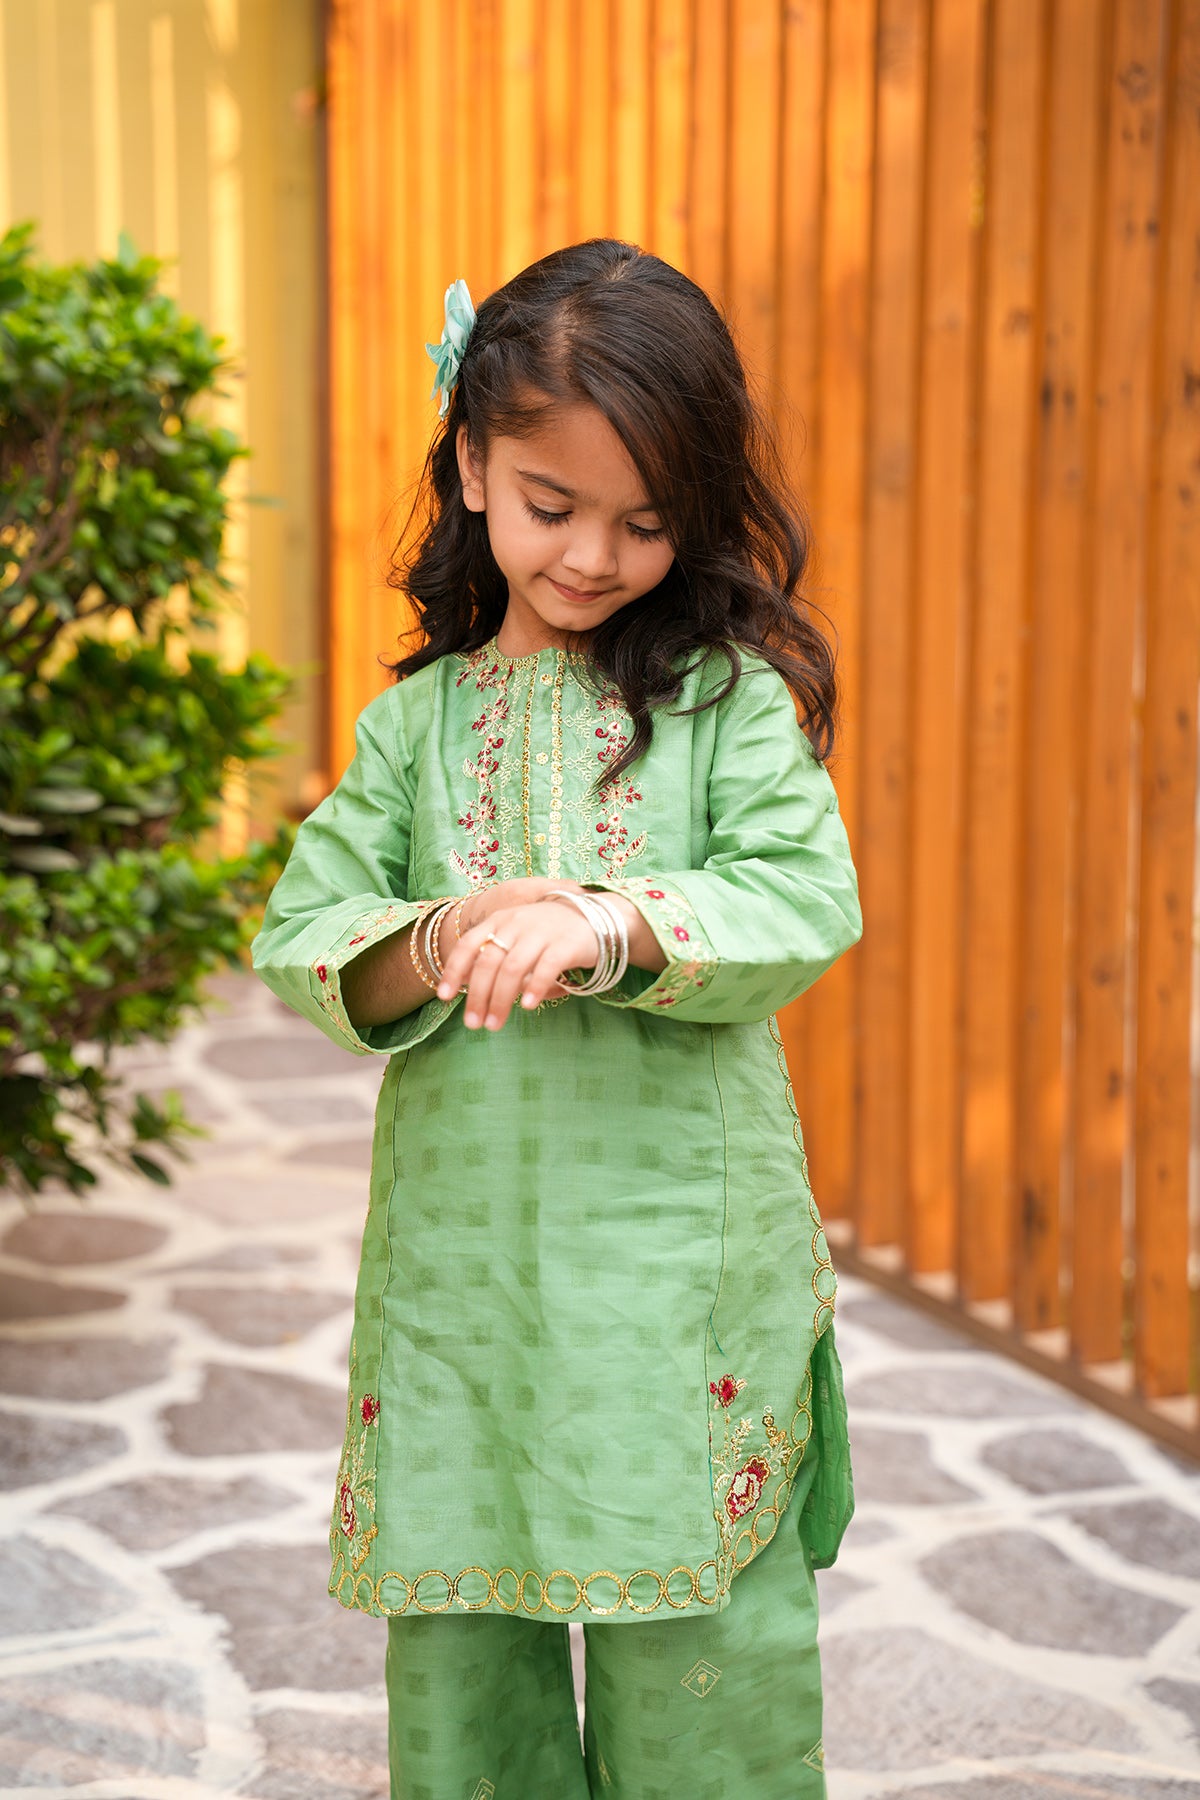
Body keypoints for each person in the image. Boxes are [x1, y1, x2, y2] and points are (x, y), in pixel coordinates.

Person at [251, 237, 862, 1800]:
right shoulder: (414, 730)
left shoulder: (725, 704)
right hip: (467, 1273)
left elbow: (804, 899)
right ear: (472, 465)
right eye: (552, 506)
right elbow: (303, 933)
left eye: (646, 523)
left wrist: (603, 921)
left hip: (677, 1268)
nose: (594, 556)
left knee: (697, 1653)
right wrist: (440, 932)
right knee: (469, 1634)